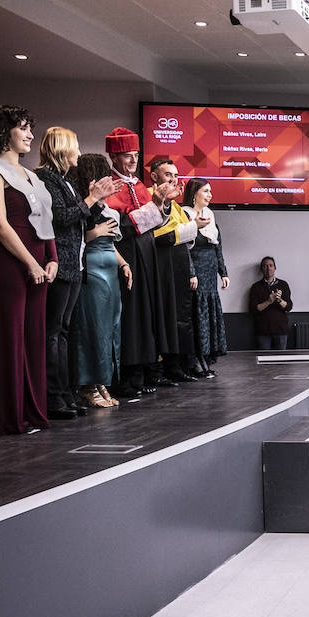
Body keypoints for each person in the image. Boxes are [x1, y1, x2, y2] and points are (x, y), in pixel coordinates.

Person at [0, 105, 57, 436]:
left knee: (34, 341)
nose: (30, 134)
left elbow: (46, 222)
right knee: (9, 342)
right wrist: (31, 262)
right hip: (9, 266)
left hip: (38, 263)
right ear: (4, 132)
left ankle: (32, 413)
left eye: (29, 128)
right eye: (23, 128)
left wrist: (51, 259)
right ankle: (8, 418)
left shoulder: (32, 176)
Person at [36, 125, 113, 419]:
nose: (79, 153)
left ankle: (66, 392)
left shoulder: (65, 181)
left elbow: (84, 217)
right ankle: (53, 397)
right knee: (53, 333)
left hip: (74, 263)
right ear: (61, 149)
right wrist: (91, 198)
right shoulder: (46, 180)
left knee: (64, 332)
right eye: (75, 146)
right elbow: (62, 218)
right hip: (60, 263)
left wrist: (99, 198)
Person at [102, 127, 165, 399]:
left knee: (147, 313)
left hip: (147, 255)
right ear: (114, 157)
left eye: (136, 155)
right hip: (127, 254)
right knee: (131, 316)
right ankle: (128, 375)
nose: (133, 161)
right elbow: (119, 226)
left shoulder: (138, 184)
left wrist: (160, 205)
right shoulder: (110, 185)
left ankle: (144, 369)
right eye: (128, 156)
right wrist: (154, 208)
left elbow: (151, 220)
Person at [72, 153, 128, 409]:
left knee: (110, 327)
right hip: (92, 269)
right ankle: (87, 384)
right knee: (92, 327)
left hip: (110, 268)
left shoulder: (104, 206)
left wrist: (124, 263)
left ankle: (101, 379)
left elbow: (111, 241)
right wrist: (95, 232)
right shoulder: (83, 204)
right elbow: (76, 237)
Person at [148, 159, 198, 383]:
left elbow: (185, 238)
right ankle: (160, 370)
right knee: (164, 317)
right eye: (168, 175)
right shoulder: (149, 197)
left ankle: (177, 366)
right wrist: (191, 228)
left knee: (180, 318)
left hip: (178, 266)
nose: (174, 180)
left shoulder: (176, 205)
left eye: (176, 176)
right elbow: (161, 236)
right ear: (154, 177)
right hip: (160, 266)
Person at [181, 178, 228, 378]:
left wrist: (223, 272)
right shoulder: (184, 213)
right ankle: (195, 361)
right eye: (206, 191)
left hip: (210, 273)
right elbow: (183, 247)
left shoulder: (210, 214)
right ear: (194, 193)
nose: (210, 195)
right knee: (196, 316)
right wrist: (191, 272)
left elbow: (218, 245)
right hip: (196, 270)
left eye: (210, 191)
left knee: (208, 315)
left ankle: (206, 359)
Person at [250, 256, 293, 349]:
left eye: (271, 265)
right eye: (265, 266)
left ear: (275, 268)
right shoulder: (256, 287)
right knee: (263, 361)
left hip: (281, 330)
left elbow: (289, 307)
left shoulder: (283, 284)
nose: (268, 268)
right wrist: (269, 301)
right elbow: (254, 309)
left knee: (281, 361)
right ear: (262, 269)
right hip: (263, 332)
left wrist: (279, 300)